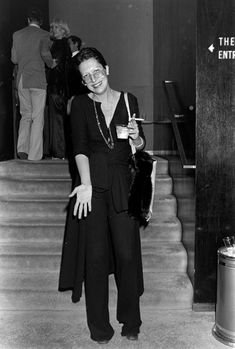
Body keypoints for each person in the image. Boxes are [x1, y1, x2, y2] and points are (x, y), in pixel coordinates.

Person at [58, 47, 145, 344]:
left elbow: (137, 147)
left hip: (123, 185)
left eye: (96, 71)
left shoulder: (129, 100)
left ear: (106, 69)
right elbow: (80, 148)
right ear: (82, 82)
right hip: (92, 188)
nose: (93, 79)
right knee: (95, 259)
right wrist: (85, 183)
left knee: (127, 255)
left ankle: (130, 320)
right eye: (86, 76)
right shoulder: (80, 105)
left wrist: (137, 137)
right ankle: (100, 328)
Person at [11, 8, 55, 160]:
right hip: (37, 79)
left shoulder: (17, 34)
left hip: (22, 79)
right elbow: (45, 54)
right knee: (38, 117)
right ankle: (35, 155)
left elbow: (14, 59)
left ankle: (22, 148)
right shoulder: (45, 35)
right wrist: (52, 64)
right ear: (41, 22)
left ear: (28, 20)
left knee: (25, 115)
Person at [46, 18, 70, 159]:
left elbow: (52, 64)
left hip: (57, 88)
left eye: (56, 27)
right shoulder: (61, 45)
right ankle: (59, 152)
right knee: (57, 121)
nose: (52, 29)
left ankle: (58, 153)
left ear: (63, 30)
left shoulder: (59, 45)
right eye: (52, 27)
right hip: (58, 88)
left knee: (56, 121)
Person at [66, 35, 88, 114]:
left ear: (76, 44)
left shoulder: (80, 59)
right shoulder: (68, 59)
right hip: (71, 95)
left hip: (77, 94)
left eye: (69, 43)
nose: (67, 46)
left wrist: (74, 95)